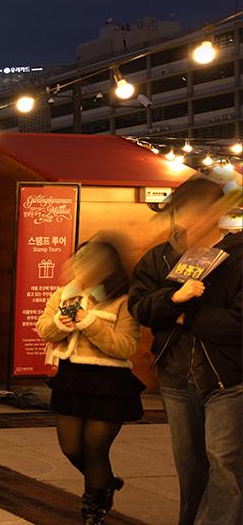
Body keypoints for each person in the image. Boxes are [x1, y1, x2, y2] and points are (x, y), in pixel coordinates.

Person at [129, 175, 241, 525]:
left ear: (217, 211)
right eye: (185, 211)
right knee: (189, 465)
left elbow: (238, 324)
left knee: (224, 460)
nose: (192, 219)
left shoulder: (238, 256)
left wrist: (182, 316)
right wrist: (172, 299)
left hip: (229, 378)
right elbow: (140, 308)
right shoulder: (159, 259)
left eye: (201, 211)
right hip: (176, 377)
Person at [36, 240, 143, 525]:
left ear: (106, 267)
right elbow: (43, 330)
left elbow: (126, 346)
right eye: (77, 260)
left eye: (86, 262)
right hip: (71, 378)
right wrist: (60, 323)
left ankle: (93, 510)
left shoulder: (123, 299)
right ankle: (106, 482)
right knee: (71, 448)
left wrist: (89, 323)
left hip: (109, 383)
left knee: (95, 449)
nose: (77, 267)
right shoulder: (64, 294)